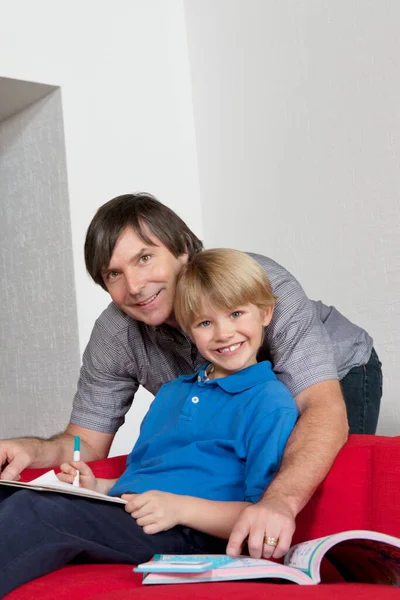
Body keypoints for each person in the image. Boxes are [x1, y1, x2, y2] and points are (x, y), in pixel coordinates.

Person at [0, 193, 382, 560]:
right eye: (114, 273)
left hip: (334, 374)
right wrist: (33, 451)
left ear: (183, 249)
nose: (134, 286)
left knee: (310, 488)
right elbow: (85, 444)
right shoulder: (116, 334)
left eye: (145, 258)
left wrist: (277, 502)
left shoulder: (256, 283)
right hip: (220, 410)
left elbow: (322, 408)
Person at [0, 249, 299, 597]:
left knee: (36, 512)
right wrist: (97, 487)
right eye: (205, 322)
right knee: (11, 493)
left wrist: (179, 507)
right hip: (137, 515)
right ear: (188, 330)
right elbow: (143, 477)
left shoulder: (269, 402)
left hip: (190, 533)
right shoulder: (172, 394)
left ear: (265, 313)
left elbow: (260, 514)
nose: (223, 333)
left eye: (235, 314)